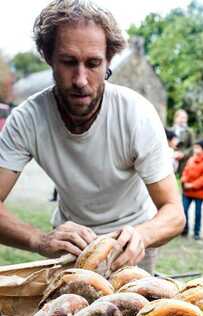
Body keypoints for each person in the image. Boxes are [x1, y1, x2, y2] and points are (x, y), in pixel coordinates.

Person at [0, 0, 185, 274]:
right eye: (68, 62)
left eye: (93, 63)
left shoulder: (137, 114)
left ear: (108, 61)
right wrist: (40, 240)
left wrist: (142, 236)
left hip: (130, 244)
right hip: (70, 244)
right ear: (48, 57)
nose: (81, 80)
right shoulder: (27, 119)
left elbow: (173, 212)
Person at [181, 140, 203, 240]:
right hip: (186, 191)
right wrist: (184, 180)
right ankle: (184, 229)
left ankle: (196, 232)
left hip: (199, 192)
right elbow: (186, 171)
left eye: (198, 147)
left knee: (197, 212)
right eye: (195, 147)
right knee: (184, 210)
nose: (195, 149)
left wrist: (192, 185)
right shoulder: (192, 159)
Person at [171, 109, 193, 175]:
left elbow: (192, 147)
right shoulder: (170, 130)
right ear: (176, 118)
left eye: (185, 118)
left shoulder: (189, 132)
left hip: (183, 161)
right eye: (182, 118)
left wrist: (183, 154)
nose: (184, 120)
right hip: (171, 159)